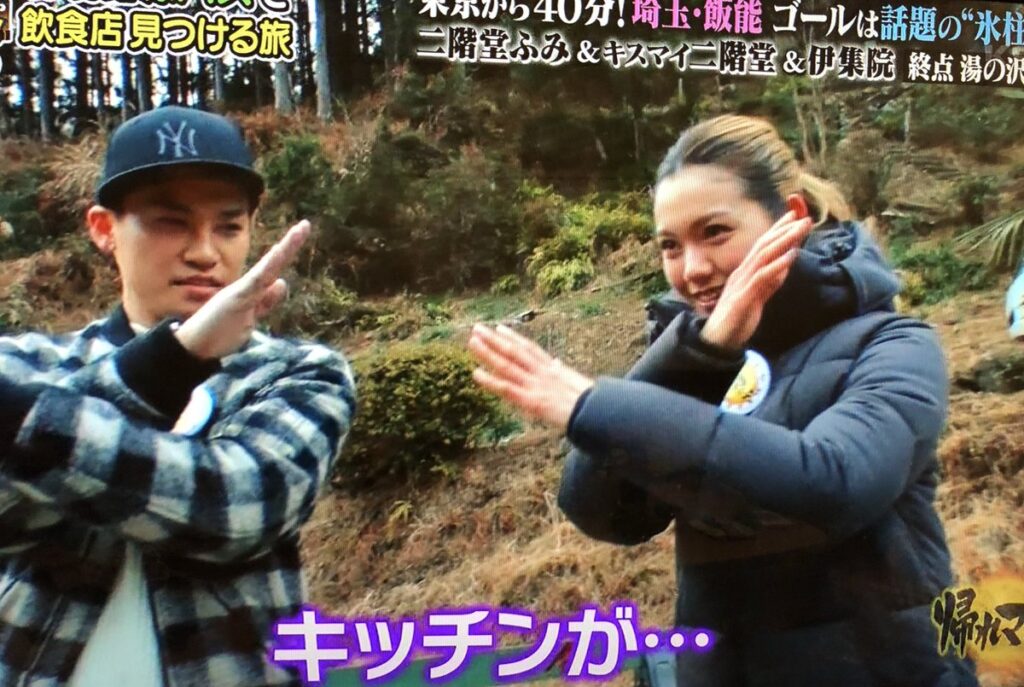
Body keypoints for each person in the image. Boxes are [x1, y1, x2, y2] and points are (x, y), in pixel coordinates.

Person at [468, 115, 976, 686]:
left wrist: (600, 406)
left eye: (714, 232)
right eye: (670, 246)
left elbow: (838, 481)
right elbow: (602, 512)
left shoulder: (892, 345)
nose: (692, 269)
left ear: (791, 217)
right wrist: (700, 358)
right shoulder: (693, 362)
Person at [0, 106, 356, 686]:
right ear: (104, 229)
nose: (204, 253)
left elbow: (240, 509)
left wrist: (24, 430)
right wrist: (168, 364)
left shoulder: (297, 372)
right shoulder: (26, 364)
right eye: (170, 222)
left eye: (228, 227)